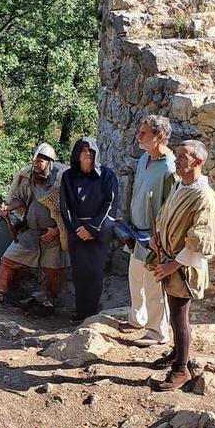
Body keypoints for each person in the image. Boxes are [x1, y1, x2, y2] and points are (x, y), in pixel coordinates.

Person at [149, 140, 215, 392]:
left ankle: (181, 369)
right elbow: (166, 215)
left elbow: (201, 239)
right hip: (169, 260)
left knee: (180, 316)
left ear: (198, 162)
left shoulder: (204, 196)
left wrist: (173, 265)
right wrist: (157, 236)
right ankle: (177, 353)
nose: (177, 159)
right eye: (177, 155)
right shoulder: (181, 186)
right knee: (173, 312)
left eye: (183, 156)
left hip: (183, 268)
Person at [0, 143, 69, 310]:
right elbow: (20, 198)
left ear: (49, 162)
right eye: (34, 160)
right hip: (31, 231)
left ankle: (50, 298)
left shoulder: (61, 182)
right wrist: (9, 208)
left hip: (52, 234)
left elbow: (69, 210)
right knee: (8, 260)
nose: (35, 164)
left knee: (53, 270)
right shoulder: (28, 178)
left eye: (40, 161)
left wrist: (57, 230)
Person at [121, 116, 177, 346]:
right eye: (139, 131)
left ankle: (158, 332)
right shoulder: (144, 157)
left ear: (159, 137)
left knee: (154, 284)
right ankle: (138, 319)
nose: (138, 136)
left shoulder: (169, 167)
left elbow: (171, 206)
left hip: (154, 236)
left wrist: (160, 236)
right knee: (135, 276)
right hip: (136, 231)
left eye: (144, 133)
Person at [59, 138, 119, 322]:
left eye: (90, 151)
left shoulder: (107, 175)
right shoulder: (68, 176)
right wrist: (77, 228)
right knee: (79, 272)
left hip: (98, 232)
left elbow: (110, 203)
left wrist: (92, 228)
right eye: (83, 150)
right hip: (76, 231)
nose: (87, 154)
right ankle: (81, 312)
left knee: (94, 272)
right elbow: (65, 205)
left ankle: (91, 313)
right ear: (77, 154)